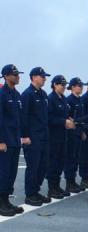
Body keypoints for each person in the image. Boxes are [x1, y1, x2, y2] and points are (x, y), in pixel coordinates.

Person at [21, 67, 51, 206]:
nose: (45, 78)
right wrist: (25, 136)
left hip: (44, 136)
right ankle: (30, 194)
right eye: (42, 76)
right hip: (33, 137)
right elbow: (23, 117)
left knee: (43, 166)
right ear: (34, 77)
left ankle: (36, 190)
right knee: (33, 166)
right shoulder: (27, 94)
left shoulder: (43, 94)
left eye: (45, 76)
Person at [0, 64, 24, 216]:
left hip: (15, 140)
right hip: (5, 141)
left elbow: (19, 119)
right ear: (6, 76)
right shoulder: (1, 94)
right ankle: (1, 202)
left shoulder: (16, 95)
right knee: (3, 172)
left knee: (11, 173)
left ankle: (6, 200)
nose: (17, 77)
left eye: (18, 74)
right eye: (14, 74)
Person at [46, 75, 75, 199]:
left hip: (63, 135)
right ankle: (52, 188)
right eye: (61, 85)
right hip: (53, 136)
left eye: (64, 85)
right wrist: (63, 121)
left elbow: (66, 114)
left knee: (60, 163)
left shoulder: (63, 99)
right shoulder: (51, 99)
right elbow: (49, 118)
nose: (63, 87)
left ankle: (57, 186)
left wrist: (69, 120)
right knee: (53, 163)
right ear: (55, 85)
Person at [64, 77, 87, 192]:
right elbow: (68, 118)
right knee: (71, 158)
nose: (81, 87)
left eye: (82, 85)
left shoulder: (80, 100)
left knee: (76, 158)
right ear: (72, 87)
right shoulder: (69, 100)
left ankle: (73, 181)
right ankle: (69, 182)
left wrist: (82, 131)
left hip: (78, 132)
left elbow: (79, 119)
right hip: (71, 133)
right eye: (79, 85)